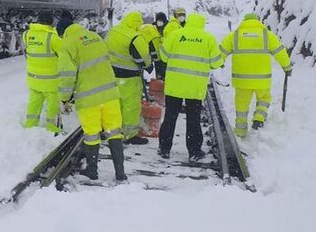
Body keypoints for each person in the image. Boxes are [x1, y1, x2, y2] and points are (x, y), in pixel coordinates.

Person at [57, 17, 127, 181]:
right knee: (114, 132)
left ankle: (92, 170)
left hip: (89, 98)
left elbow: (67, 76)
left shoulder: (66, 44)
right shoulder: (95, 36)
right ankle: (120, 173)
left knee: (92, 134)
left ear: (62, 32)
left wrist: (64, 99)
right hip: (110, 94)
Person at [158, 12, 223, 161]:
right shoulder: (208, 38)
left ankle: (164, 149)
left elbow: (163, 56)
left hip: (175, 84)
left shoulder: (175, 34)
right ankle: (194, 151)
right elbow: (216, 62)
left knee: (170, 116)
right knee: (193, 119)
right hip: (195, 86)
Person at [219, 13, 293, 137]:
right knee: (264, 98)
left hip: (241, 79)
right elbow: (280, 51)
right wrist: (287, 67)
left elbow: (221, 52)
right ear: (258, 21)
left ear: (244, 22)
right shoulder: (267, 35)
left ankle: (240, 131)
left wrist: (217, 63)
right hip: (262, 79)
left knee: (241, 105)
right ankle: (259, 118)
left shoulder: (234, 36)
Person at [106, 12, 152, 145]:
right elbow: (144, 58)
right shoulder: (135, 37)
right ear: (137, 24)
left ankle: (114, 131)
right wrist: (149, 65)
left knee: (115, 103)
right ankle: (130, 135)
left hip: (112, 74)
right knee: (130, 106)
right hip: (129, 76)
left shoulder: (113, 31)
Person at [22, 11, 63, 133]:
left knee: (34, 103)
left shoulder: (26, 34)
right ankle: (53, 128)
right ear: (51, 22)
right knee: (53, 105)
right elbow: (65, 55)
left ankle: (30, 125)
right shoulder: (53, 38)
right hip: (51, 81)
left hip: (33, 79)